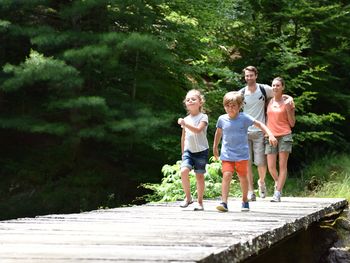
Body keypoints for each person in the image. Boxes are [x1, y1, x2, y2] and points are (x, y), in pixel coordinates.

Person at [213, 91, 277, 212]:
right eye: (228, 106)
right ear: (224, 106)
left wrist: (270, 134)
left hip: (241, 155)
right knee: (226, 175)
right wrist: (215, 147)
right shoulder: (222, 119)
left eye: (233, 106)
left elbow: (259, 124)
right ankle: (224, 202)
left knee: (242, 177)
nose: (230, 108)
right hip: (227, 154)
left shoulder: (244, 118)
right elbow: (219, 132)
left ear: (239, 106)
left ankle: (244, 200)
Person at [177, 89, 209, 211]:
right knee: (184, 171)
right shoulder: (186, 118)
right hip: (188, 151)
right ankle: (188, 197)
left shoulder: (203, 117)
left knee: (199, 176)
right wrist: (182, 152)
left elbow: (197, 130)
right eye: (188, 99)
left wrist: (184, 124)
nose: (190, 101)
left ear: (200, 102)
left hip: (201, 151)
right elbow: (184, 136)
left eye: (193, 99)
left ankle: (200, 202)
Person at [265, 77, 295, 202]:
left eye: (278, 85)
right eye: (273, 85)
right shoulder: (269, 102)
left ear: (282, 87)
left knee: (282, 166)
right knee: (271, 166)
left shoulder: (288, 103)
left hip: (285, 135)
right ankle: (279, 184)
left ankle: (277, 193)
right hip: (270, 135)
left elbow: (292, 123)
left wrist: (289, 108)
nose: (275, 87)